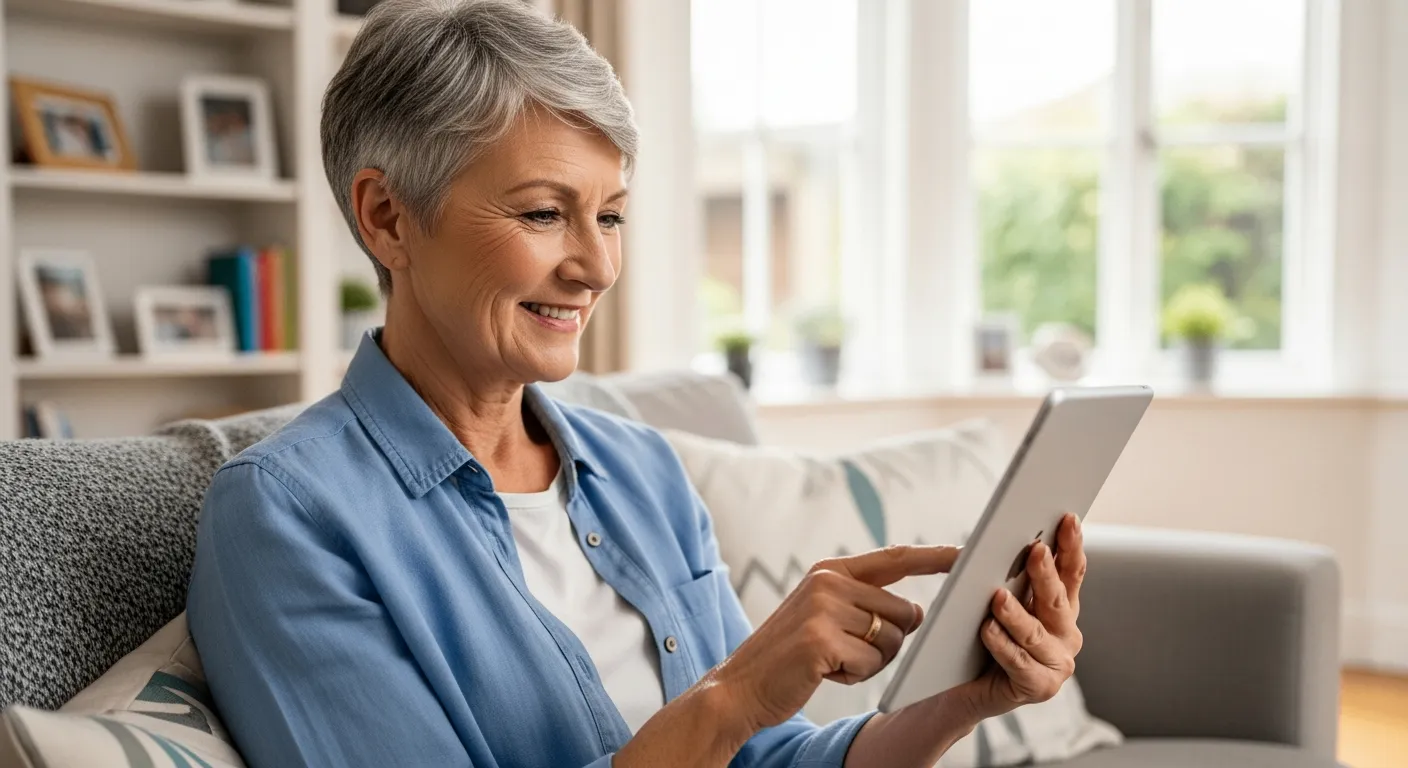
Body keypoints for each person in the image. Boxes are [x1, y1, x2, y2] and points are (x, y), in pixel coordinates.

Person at [185, 1, 1087, 766]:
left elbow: (759, 754)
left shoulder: (639, 470)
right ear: (387, 218)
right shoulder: (287, 517)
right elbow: (730, 720)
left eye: (610, 215)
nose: (596, 266)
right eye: (545, 213)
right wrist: (730, 697)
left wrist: (966, 697)